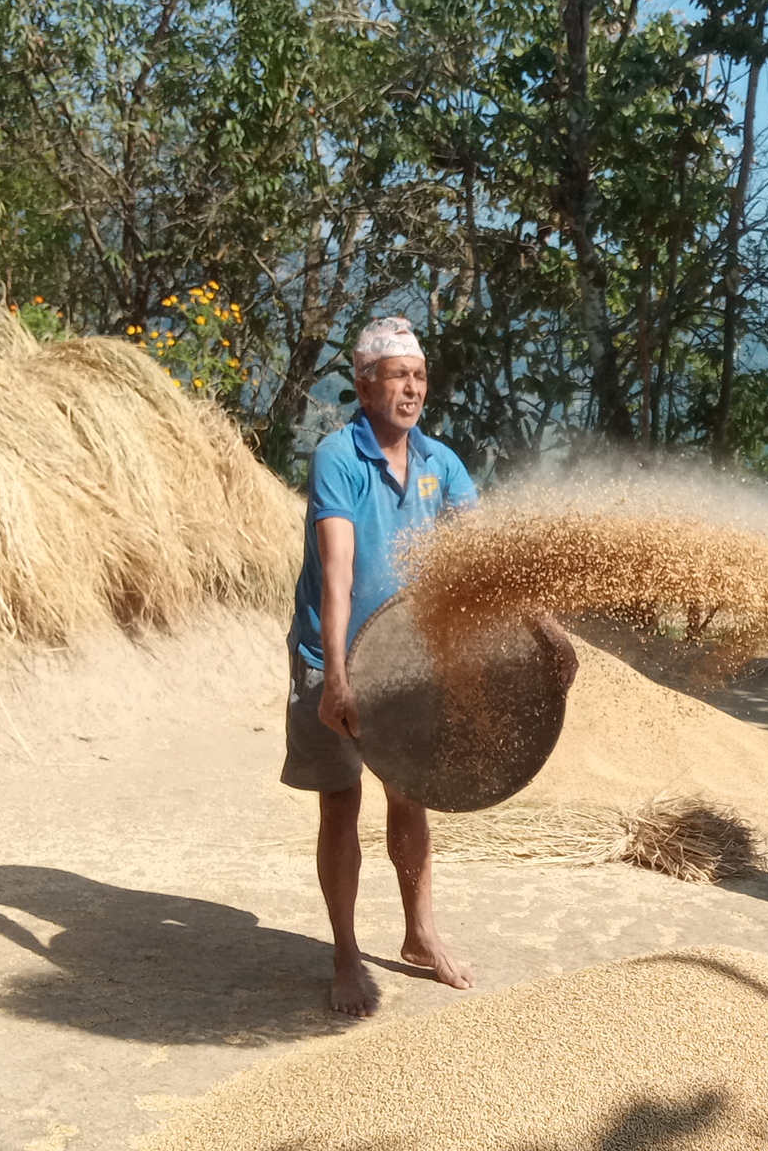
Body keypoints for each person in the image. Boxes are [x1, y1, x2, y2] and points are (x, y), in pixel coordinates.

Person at [284, 315, 477, 1017]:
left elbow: (488, 563)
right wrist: (336, 675)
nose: (412, 388)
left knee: (409, 796)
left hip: (405, 664)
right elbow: (337, 573)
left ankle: (420, 933)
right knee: (342, 802)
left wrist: (545, 632)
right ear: (365, 386)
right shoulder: (339, 456)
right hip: (331, 657)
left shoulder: (440, 464)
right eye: (398, 376)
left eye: (420, 376)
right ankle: (344, 955)